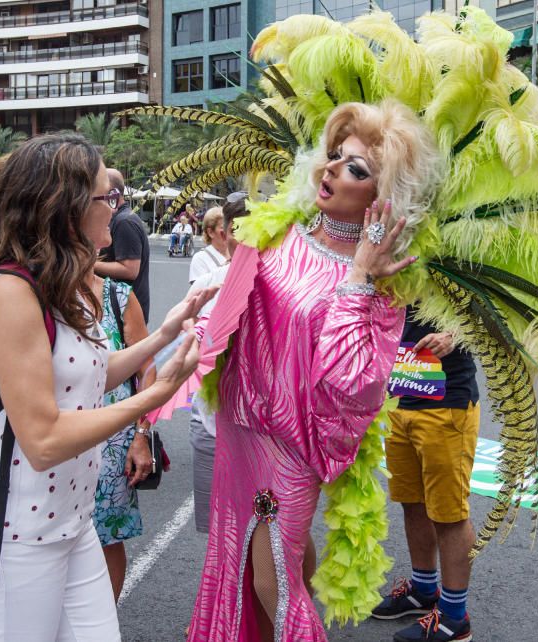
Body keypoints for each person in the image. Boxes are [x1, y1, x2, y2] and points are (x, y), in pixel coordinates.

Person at [0, 133, 214, 640]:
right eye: (105, 197)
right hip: (10, 536)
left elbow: (86, 376)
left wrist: (165, 334)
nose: (115, 207)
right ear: (65, 207)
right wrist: (156, 394)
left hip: (71, 523)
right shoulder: (10, 292)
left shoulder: (62, 282)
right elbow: (42, 441)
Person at [187, 99, 443, 641]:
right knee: (259, 564)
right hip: (239, 427)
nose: (331, 169)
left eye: (355, 168)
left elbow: (357, 384)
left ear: (381, 197)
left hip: (291, 449)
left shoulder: (384, 283)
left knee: (271, 581)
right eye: (334, 156)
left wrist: (358, 278)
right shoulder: (283, 229)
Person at [371, 308, 479, 642]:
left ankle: (454, 617)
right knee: (411, 501)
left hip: (446, 402)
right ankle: (423, 590)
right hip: (400, 395)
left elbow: (498, 315)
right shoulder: (385, 254)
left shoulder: (463, 255)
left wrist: (455, 335)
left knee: (449, 514)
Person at [90, 240, 153, 601]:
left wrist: (141, 435)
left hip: (114, 445)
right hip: (60, 440)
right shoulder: (39, 291)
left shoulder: (118, 294)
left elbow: (147, 368)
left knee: (107, 539)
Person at [187, 196, 250, 534]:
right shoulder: (206, 284)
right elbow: (186, 352)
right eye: (239, 229)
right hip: (210, 426)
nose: (248, 238)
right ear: (225, 233)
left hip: (262, 433)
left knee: (272, 534)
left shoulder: (281, 288)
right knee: (216, 535)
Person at [95, 169, 151, 323]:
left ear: (113, 192)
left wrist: (90, 265)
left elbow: (130, 269)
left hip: (125, 314)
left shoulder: (124, 222)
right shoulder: (121, 218)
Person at [188, 206, 229, 285]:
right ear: (210, 232)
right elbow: (199, 291)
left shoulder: (236, 254)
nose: (228, 232)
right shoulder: (200, 258)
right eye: (223, 228)